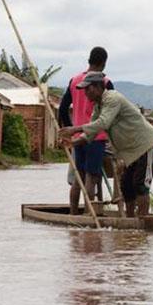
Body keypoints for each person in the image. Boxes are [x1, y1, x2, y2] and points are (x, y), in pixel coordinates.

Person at [59, 72, 153, 217]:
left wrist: (74, 129)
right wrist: (72, 142)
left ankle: (142, 222)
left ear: (98, 87)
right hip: (131, 151)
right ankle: (130, 222)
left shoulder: (112, 98)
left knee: (140, 185)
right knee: (126, 186)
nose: (85, 93)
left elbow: (103, 123)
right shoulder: (98, 106)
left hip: (146, 144)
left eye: (88, 89)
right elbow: (91, 133)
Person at [58, 47, 115, 215]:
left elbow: (62, 109)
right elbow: (111, 113)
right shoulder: (105, 82)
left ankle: (74, 213)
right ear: (103, 63)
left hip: (78, 138)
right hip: (96, 137)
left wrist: (71, 130)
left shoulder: (75, 80)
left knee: (79, 177)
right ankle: (89, 214)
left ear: (89, 60)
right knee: (92, 177)